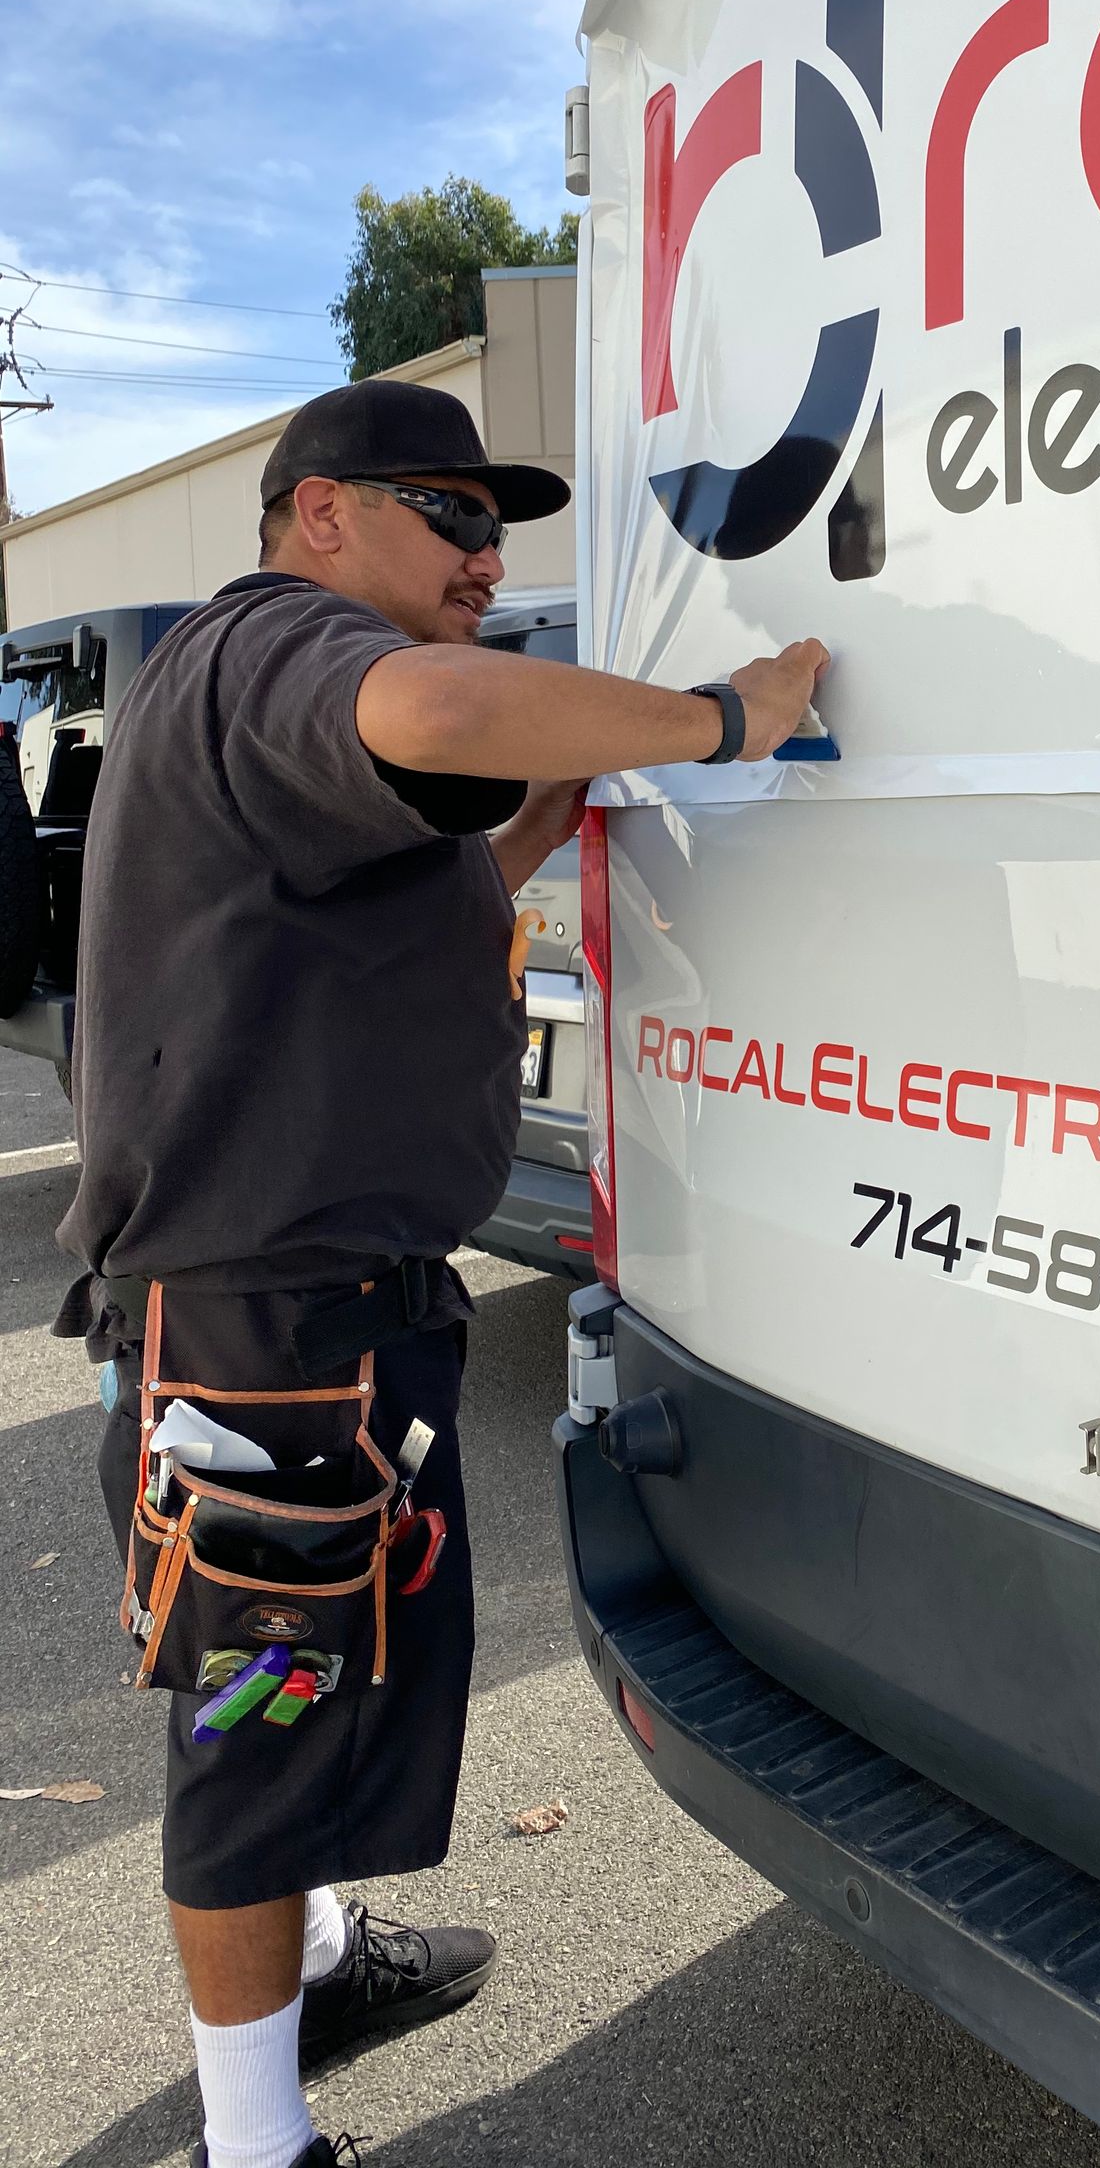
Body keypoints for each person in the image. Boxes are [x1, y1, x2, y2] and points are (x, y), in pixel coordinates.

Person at [54, 377, 826, 2168]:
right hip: (266, 1330)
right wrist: (725, 713)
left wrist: (552, 819)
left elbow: (392, 898)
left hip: (296, 1315)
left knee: (314, 1678)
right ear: (320, 513)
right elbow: (442, 702)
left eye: (503, 526)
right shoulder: (281, 647)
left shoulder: (279, 721)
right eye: (452, 514)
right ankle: (260, 2147)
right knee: (260, 1716)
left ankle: (316, 1962)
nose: (492, 556)